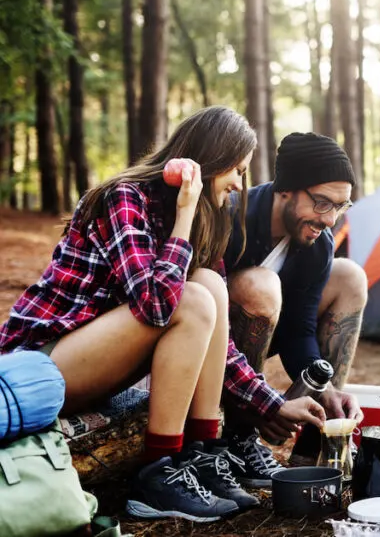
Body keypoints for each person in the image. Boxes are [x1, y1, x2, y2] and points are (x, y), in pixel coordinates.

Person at [0, 107, 322, 521]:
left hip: (93, 360)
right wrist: (184, 215)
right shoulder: (125, 197)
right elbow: (155, 307)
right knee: (191, 298)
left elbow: (217, 340)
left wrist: (270, 404)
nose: (241, 184)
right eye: (237, 170)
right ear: (213, 160)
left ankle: (200, 455)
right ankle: (158, 475)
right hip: (40, 364)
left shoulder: (204, 216)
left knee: (208, 285)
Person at [220, 132, 368, 485]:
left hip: (261, 336)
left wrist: (326, 389)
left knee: (350, 276)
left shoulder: (317, 244)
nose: (330, 219)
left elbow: (300, 329)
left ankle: (317, 440)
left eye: (340, 206)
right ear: (285, 189)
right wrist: (261, 403)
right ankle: (237, 438)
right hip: (207, 347)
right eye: (322, 203)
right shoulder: (230, 219)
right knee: (260, 285)